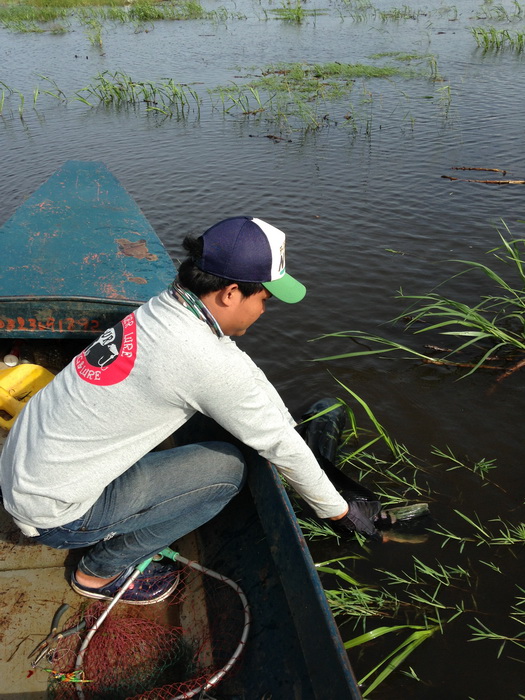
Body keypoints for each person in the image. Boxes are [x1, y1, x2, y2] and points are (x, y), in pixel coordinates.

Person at [0, 216, 379, 606]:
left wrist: (286, 419)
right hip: (57, 516)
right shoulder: (201, 359)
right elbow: (279, 445)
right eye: (264, 299)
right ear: (231, 293)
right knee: (228, 471)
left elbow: (238, 364)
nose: (264, 310)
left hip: (21, 474)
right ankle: (98, 572)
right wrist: (340, 512)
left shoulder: (167, 307)